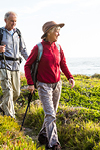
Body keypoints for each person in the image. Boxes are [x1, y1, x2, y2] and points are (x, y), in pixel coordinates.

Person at [24, 21, 76, 150]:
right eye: (56, 31)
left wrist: (69, 76)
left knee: (51, 113)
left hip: (57, 84)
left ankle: (42, 135)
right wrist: (30, 83)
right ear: (48, 32)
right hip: (43, 86)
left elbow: (62, 63)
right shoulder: (38, 48)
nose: (59, 33)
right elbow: (27, 65)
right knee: (50, 114)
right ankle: (53, 144)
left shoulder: (58, 47)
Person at [0, 11, 29, 119]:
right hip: (3, 65)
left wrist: (30, 61)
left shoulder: (18, 34)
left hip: (16, 66)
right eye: (12, 21)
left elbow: (23, 50)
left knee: (16, 93)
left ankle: (2, 107)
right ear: (5, 20)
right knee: (8, 92)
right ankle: (10, 117)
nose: (14, 23)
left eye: (15, 21)